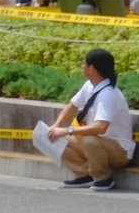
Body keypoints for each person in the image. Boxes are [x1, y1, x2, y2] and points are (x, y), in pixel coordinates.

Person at [49, 48, 134, 191]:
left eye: (84, 64)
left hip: (119, 151)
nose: (82, 66)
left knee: (89, 140)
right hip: (95, 145)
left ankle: (104, 179)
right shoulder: (89, 86)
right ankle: (84, 174)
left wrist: (67, 130)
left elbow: (101, 127)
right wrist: (55, 126)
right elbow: (72, 106)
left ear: (91, 68)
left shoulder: (108, 94)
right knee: (50, 137)